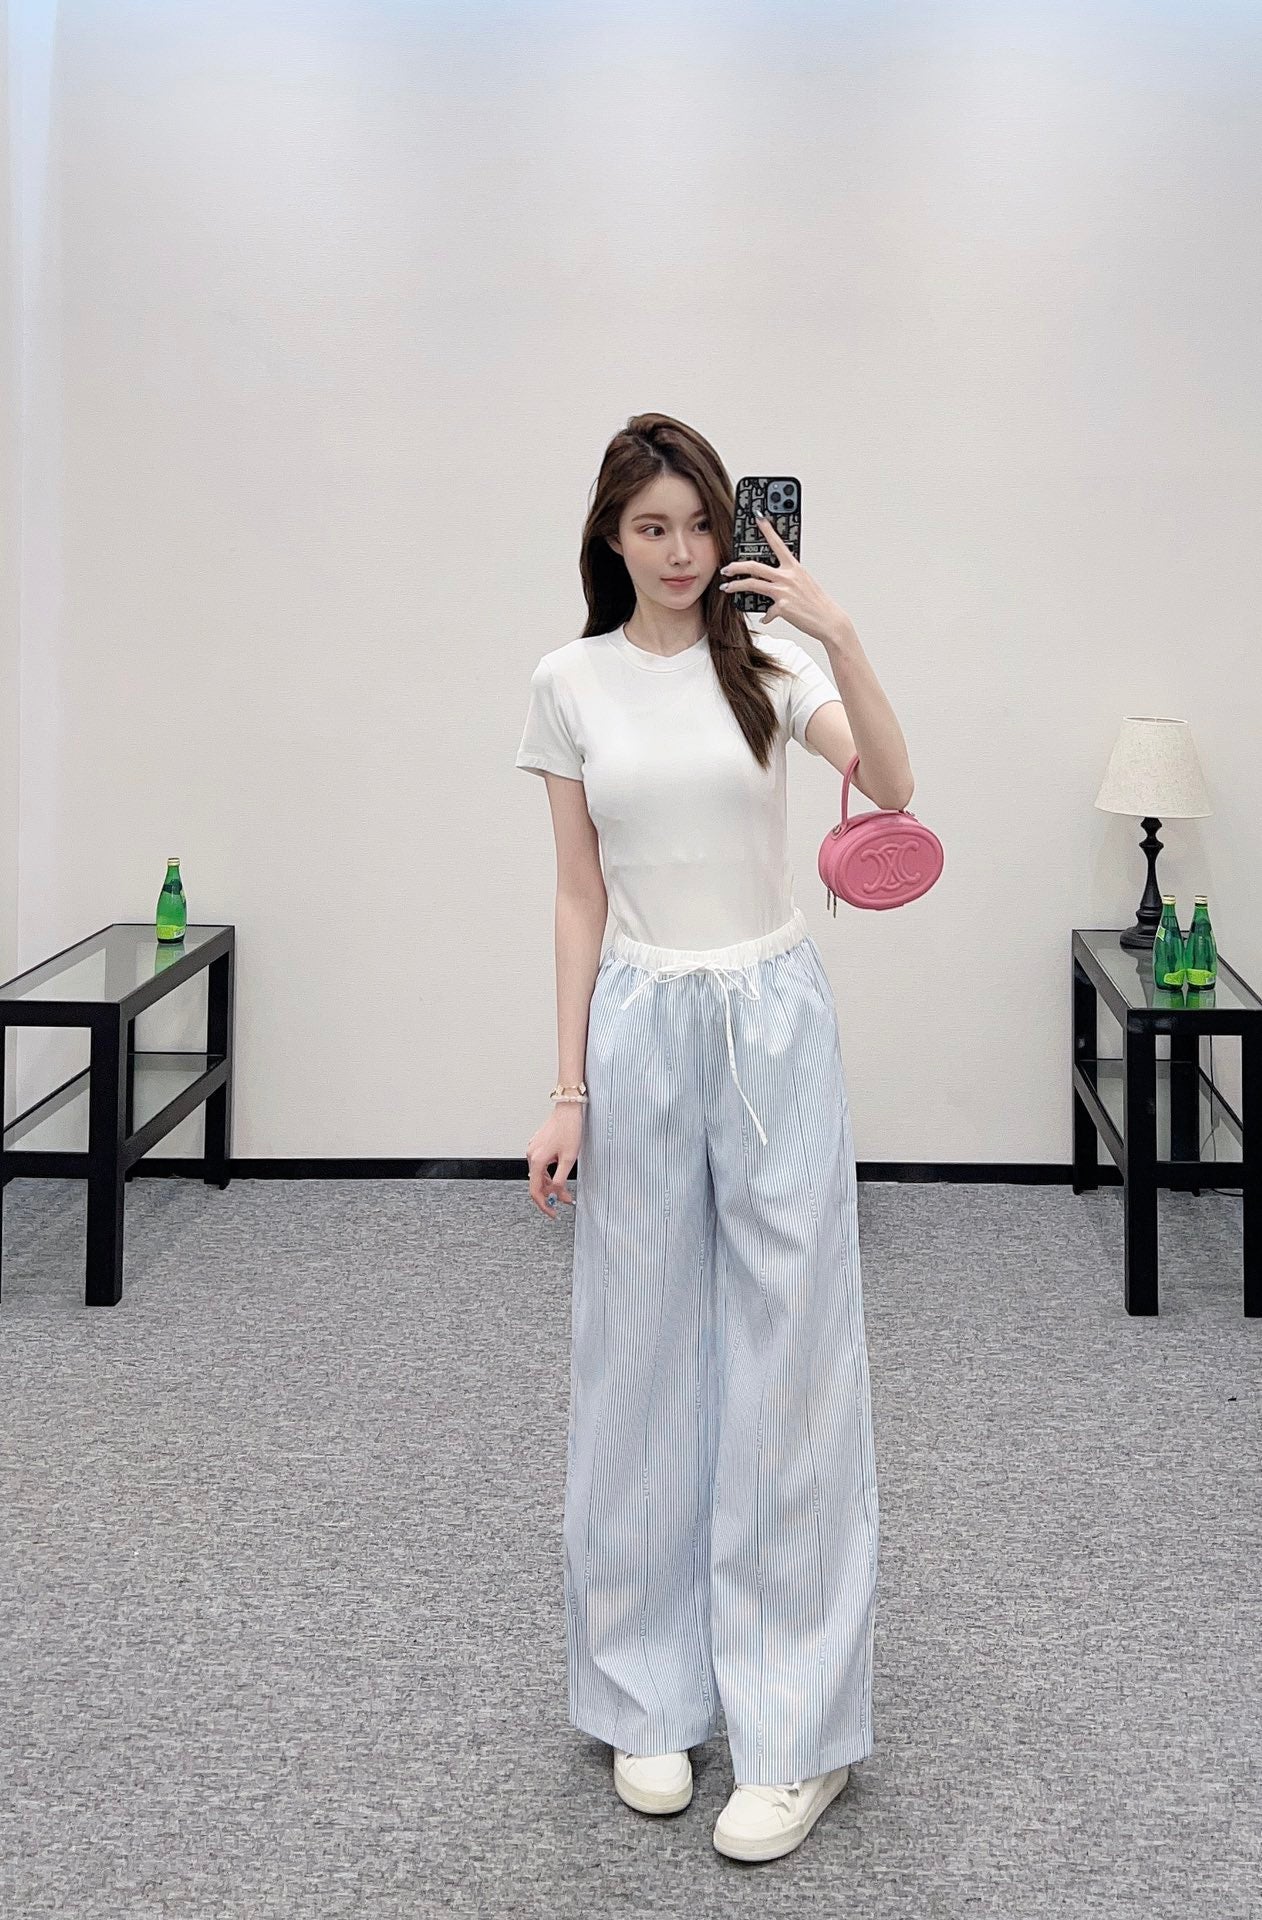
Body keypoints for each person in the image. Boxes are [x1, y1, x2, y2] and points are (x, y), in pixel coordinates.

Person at [514, 412, 912, 1865]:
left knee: (792, 1356)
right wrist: (567, 1088)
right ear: (611, 539)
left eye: (700, 524)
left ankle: (797, 1734)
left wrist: (834, 628)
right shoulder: (569, 682)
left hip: (770, 1016)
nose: (682, 553)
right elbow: (577, 893)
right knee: (634, 1349)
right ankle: (645, 1697)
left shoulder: (773, 666)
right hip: (637, 1016)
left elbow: (895, 786)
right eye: (653, 529)